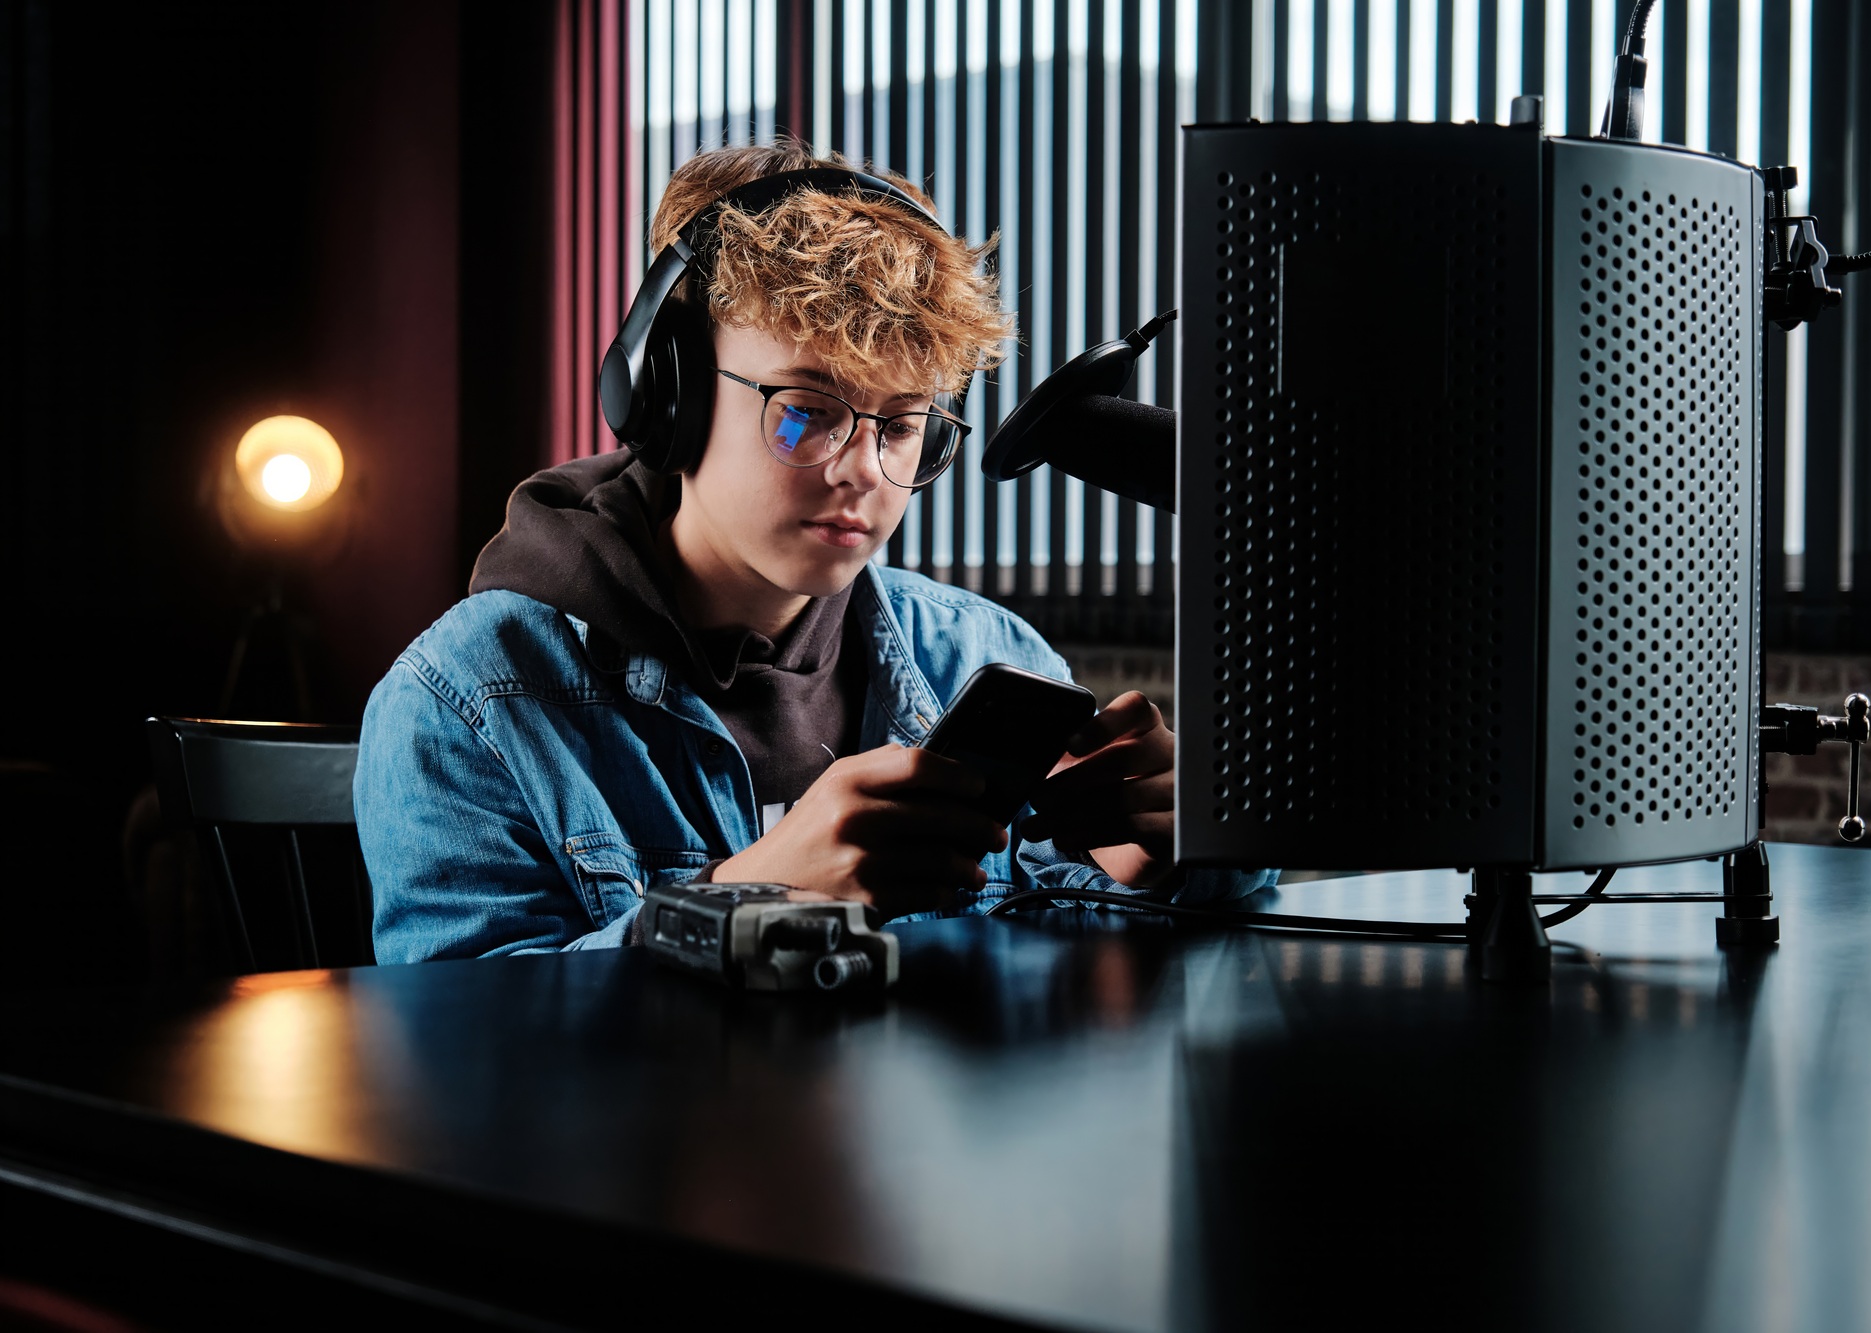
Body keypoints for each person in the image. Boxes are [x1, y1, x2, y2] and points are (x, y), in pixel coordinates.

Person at [354, 141, 1272, 961]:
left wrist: (1167, 858)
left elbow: (1074, 949)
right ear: (666, 401)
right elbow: (459, 1053)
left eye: (904, 426)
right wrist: (743, 904)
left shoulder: (983, 658)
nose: (863, 472)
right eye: (807, 412)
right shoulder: (465, 700)